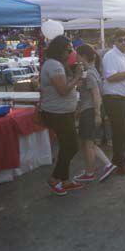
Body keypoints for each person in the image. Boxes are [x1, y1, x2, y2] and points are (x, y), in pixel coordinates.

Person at [40, 35, 85, 196]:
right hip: (57, 113)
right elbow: (63, 90)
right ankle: (54, 179)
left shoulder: (57, 64)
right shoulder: (54, 65)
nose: (71, 52)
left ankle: (65, 180)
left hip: (63, 112)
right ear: (60, 49)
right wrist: (78, 76)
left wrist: (76, 79)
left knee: (67, 146)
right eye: (68, 49)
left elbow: (68, 87)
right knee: (72, 146)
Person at [72, 44, 117, 183]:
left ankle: (91, 172)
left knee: (88, 143)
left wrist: (97, 114)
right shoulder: (92, 71)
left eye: (77, 54)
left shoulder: (90, 73)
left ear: (83, 56)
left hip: (89, 110)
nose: (75, 57)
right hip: (89, 110)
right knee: (89, 142)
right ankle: (104, 165)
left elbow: (96, 94)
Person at [102, 29, 125, 175]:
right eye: (120, 40)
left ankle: (117, 160)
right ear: (114, 41)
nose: (124, 42)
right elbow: (111, 77)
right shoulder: (110, 56)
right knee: (119, 131)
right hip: (115, 98)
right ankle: (121, 163)